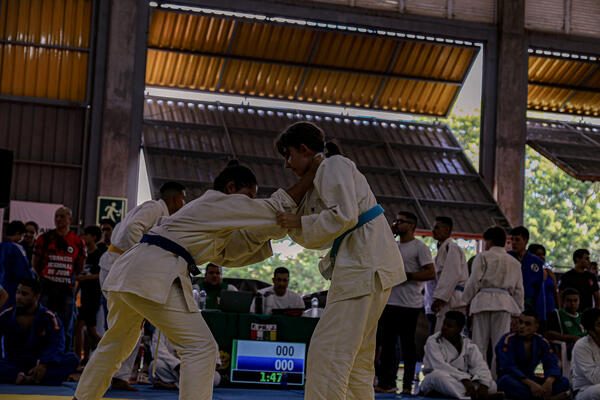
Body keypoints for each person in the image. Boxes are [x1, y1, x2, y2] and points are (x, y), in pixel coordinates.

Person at [73, 159, 318, 400]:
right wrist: (312, 173)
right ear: (231, 188)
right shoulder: (219, 202)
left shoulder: (209, 217)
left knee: (116, 343)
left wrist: (277, 228)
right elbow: (274, 208)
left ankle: (82, 397)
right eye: (249, 195)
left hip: (130, 270)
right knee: (200, 348)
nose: (250, 202)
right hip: (155, 269)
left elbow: (232, 252)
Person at [274, 122, 406, 400]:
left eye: (288, 155)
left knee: (328, 351)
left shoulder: (334, 166)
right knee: (355, 355)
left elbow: (344, 216)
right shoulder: (325, 173)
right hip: (368, 263)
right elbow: (321, 234)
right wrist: (300, 219)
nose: (287, 164)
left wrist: (299, 221)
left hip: (363, 264)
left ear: (304, 149)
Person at [97, 181, 186, 391]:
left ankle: (117, 375)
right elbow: (132, 229)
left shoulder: (161, 214)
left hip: (123, 268)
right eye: (183, 198)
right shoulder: (154, 207)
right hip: (118, 266)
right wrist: (146, 258)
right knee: (124, 327)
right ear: (175, 199)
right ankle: (110, 374)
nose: (185, 203)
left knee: (130, 327)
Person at [375, 211, 434, 394]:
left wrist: (407, 276)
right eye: (396, 221)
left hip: (409, 304)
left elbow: (430, 273)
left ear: (411, 225)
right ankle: (387, 383)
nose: (396, 224)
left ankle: (407, 385)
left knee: (408, 346)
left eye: (400, 221)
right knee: (387, 345)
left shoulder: (420, 247)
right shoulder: (392, 246)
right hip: (390, 302)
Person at [462, 226, 524, 367]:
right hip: (504, 303)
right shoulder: (514, 262)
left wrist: (466, 300)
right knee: (500, 344)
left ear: (489, 241)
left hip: (482, 301)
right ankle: (498, 379)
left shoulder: (483, 256)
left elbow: (473, 281)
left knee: (479, 344)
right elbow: (519, 290)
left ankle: (480, 379)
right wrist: (518, 312)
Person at [0, 279, 79, 385]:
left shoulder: (49, 317)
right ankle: (27, 378)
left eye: (24, 294)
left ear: (36, 297)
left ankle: (26, 378)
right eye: (17, 292)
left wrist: (44, 364)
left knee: (72, 359)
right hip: (13, 364)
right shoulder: (6, 315)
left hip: (39, 363)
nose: (19, 297)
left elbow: (57, 343)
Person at [33, 207, 87, 350]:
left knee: (65, 327)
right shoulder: (44, 238)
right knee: (42, 324)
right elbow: (35, 264)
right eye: (56, 216)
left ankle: (62, 359)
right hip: (46, 290)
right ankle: (40, 358)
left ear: (70, 219)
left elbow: (80, 268)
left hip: (67, 291)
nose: (58, 219)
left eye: (62, 216)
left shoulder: (77, 241)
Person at [419, 311, 500, 400]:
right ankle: (475, 397)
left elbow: (480, 365)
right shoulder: (433, 341)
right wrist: (464, 379)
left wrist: (484, 385)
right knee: (438, 376)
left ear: (459, 329)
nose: (444, 328)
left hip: (462, 382)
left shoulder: (468, 344)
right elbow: (440, 366)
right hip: (436, 379)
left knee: (492, 385)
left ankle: (452, 394)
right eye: (444, 324)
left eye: (449, 326)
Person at [496, 310, 570, 400]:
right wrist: (531, 384)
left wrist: (549, 381)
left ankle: (537, 396)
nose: (522, 326)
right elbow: (508, 367)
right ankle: (547, 398)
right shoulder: (508, 339)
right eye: (520, 322)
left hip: (536, 380)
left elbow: (552, 363)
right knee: (505, 381)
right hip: (518, 380)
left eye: (527, 324)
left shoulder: (542, 341)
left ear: (536, 327)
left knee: (564, 382)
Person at [74, 226, 107, 366]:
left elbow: (103, 275)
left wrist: (84, 278)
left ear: (94, 237)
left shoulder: (99, 255)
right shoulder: (84, 254)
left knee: (88, 330)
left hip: (93, 295)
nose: (84, 237)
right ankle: (85, 358)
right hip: (84, 295)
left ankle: (110, 350)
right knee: (86, 329)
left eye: (86, 234)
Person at [430, 216, 468, 333]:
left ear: (447, 229)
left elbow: (452, 274)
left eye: (437, 227)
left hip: (452, 299)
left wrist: (440, 298)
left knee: (446, 334)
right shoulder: (443, 248)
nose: (433, 231)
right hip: (448, 298)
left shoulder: (451, 248)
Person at [508, 226, 546, 317]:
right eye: (512, 239)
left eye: (517, 240)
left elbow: (539, 290)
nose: (513, 243)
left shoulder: (536, 263)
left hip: (529, 307)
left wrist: (541, 315)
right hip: (509, 304)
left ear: (525, 241)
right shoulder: (506, 258)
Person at [0, 221, 35, 311]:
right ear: (17, 233)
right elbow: (24, 272)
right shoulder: (17, 248)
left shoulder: (1, 246)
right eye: (23, 235)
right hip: (13, 290)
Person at [571, 308, 600, 400]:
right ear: (591, 331)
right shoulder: (581, 346)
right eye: (599, 324)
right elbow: (595, 378)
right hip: (584, 390)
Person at [529, 243, 559, 311]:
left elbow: (555, 293)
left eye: (543, 254)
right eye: (538, 255)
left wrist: (559, 310)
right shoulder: (527, 273)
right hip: (534, 310)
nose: (542, 257)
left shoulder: (549, 272)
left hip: (551, 310)